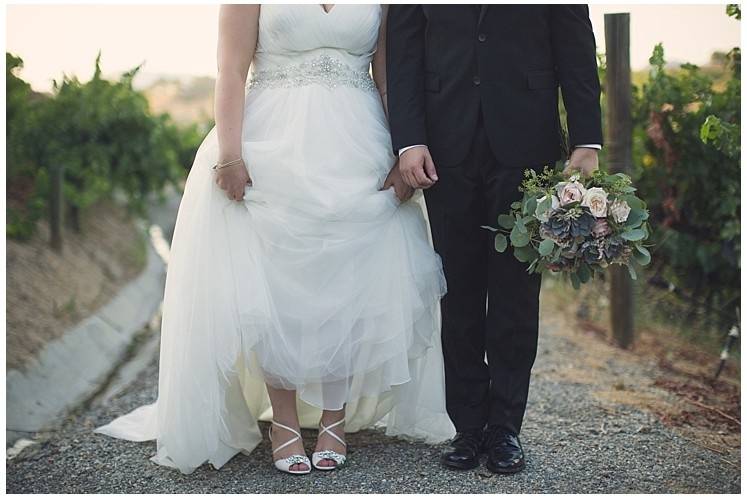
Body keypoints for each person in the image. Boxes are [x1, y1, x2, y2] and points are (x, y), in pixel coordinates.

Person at [94, 4, 454, 476]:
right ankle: (283, 421)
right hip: (273, 143)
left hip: (358, 145)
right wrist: (228, 154)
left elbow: (387, 80)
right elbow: (230, 70)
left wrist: (400, 148)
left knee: (347, 278)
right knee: (277, 279)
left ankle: (333, 419)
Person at [386, 4, 603, 474]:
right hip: (444, 145)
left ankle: (505, 426)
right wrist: (408, 140)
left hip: (528, 145)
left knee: (516, 293)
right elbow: (403, 54)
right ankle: (466, 426)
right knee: (457, 289)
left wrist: (587, 139)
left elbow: (576, 47)